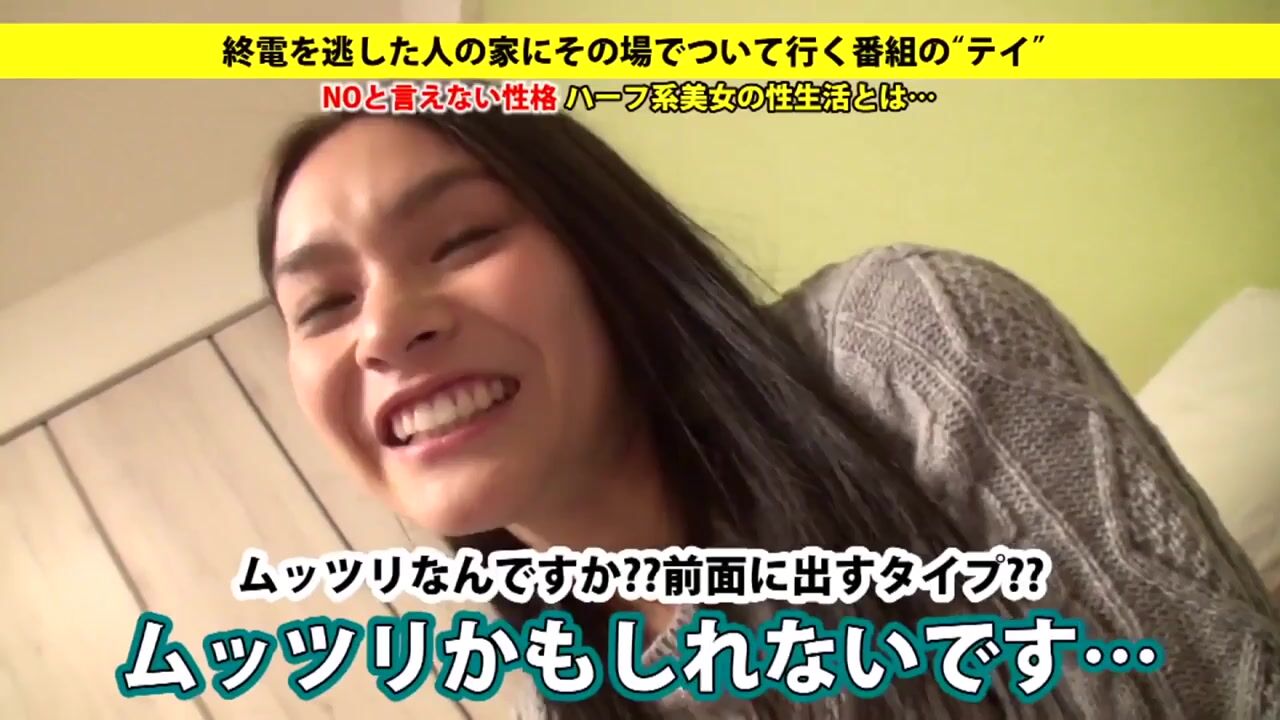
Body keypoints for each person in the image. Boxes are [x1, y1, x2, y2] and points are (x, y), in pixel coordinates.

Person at [255, 108, 1279, 719]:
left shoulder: (899, 341)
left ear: (603, 247)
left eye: (461, 239)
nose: (382, 329)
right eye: (325, 306)